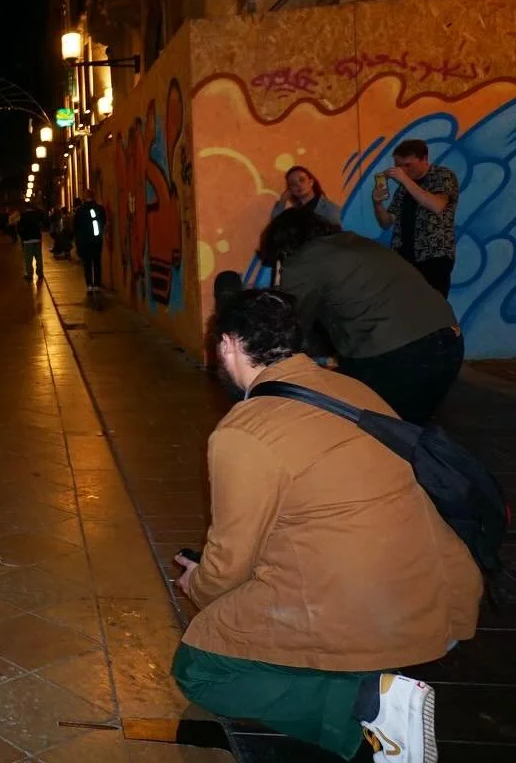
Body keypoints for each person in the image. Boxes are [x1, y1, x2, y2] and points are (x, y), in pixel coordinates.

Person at [173, 289, 480, 763]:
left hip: (366, 610)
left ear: (229, 345)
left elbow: (228, 563)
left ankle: (368, 709)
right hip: (434, 599)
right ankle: (372, 683)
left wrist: (199, 583)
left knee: (201, 668)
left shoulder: (244, 431)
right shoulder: (353, 388)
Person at [259, 208, 463, 425]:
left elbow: (286, 328)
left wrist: (280, 280)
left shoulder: (302, 261)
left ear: (281, 247)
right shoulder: (358, 244)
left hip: (398, 353)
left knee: (364, 427)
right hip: (449, 342)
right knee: (409, 430)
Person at [373, 139, 460, 297]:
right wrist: (377, 203)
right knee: (406, 309)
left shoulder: (442, 175)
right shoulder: (403, 188)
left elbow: (437, 205)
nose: (403, 170)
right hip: (404, 256)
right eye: (399, 166)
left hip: (433, 255)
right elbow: (386, 223)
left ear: (424, 159)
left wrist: (404, 180)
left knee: (434, 311)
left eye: (408, 165)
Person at [269, 165, 342, 227]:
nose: (298, 185)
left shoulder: (328, 208)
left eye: (302, 180)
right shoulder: (294, 214)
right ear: (291, 190)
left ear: (311, 182)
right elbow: (276, 225)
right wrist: (282, 201)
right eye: (293, 183)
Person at [72, 195, 107, 293]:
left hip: (85, 241)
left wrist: (78, 242)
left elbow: (76, 228)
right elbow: (104, 221)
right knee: (96, 262)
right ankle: (97, 284)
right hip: (97, 241)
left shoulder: (80, 211)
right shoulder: (99, 208)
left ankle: (89, 285)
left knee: (87, 264)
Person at [17, 204, 46, 281]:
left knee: (28, 258)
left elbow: (20, 229)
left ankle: (29, 274)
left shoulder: (24, 217)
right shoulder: (38, 215)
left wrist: (22, 238)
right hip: (37, 238)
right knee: (38, 257)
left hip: (27, 240)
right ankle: (40, 273)